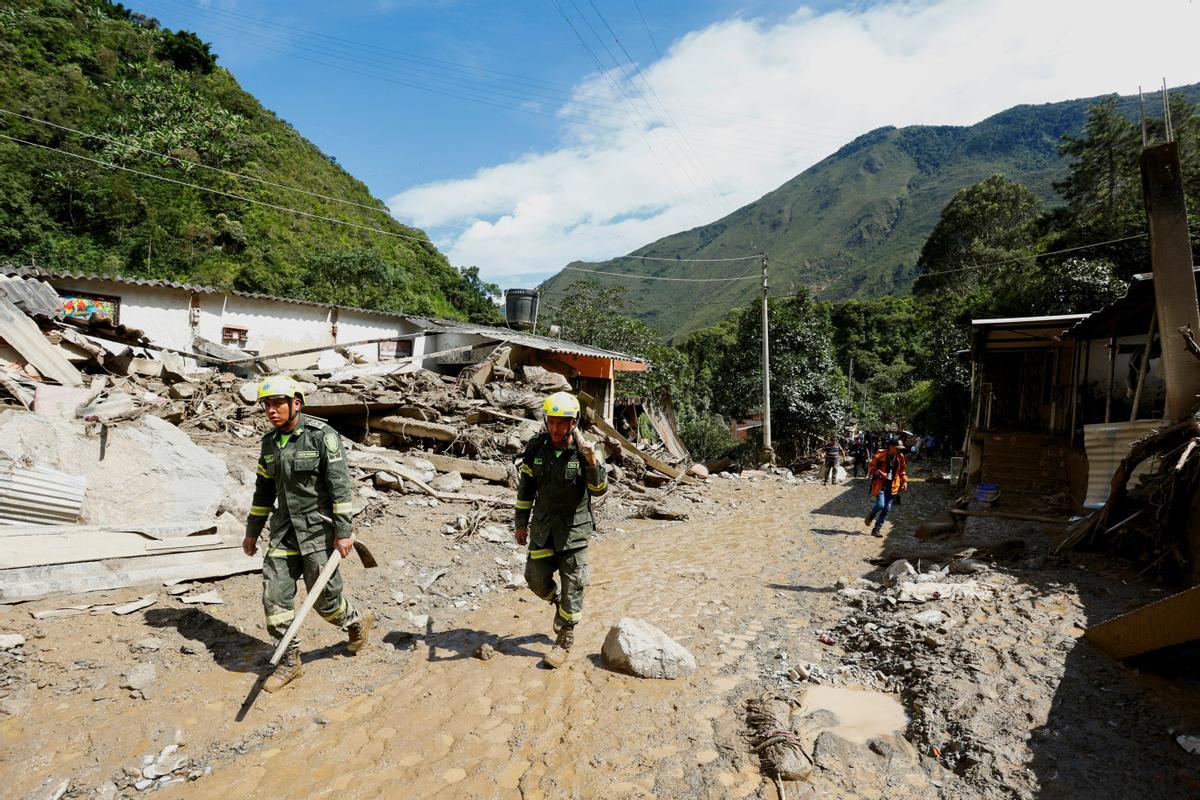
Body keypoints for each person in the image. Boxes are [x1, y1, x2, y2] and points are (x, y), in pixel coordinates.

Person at [243, 376, 372, 692]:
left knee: (325, 602)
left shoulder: (322, 437)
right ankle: (289, 662)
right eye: (266, 405)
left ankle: (354, 622)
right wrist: (252, 532)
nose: (271, 410)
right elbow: (263, 492)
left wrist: (344, 532)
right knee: (274, 596)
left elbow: (340, 487)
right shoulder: (269, 443)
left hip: (319, 532)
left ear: (295, 404)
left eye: (277, 404)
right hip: (284, 533)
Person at [515, 391, 608, 668]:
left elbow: (599, 490)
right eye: (552, 422)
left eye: (562, 423)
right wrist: (521, 524)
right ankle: (557, 602)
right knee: (534, 578)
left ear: (574, 423)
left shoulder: (587, 451)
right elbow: (526, 489)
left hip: (574, 532)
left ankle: (564, 638)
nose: (556, 428)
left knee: (574, 587)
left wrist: (591, 461)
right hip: (543, 528)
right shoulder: (536, 447)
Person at [864, 438, 908, 538]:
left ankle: (876, 530)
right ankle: (871, 515)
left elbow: (902, 471)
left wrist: (904, 481)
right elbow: (871, 467)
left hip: (893, 486)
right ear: (891, 446)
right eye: (897, 448)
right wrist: (876, 472)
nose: (899, 450)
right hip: (881, 485)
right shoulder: (880, 455)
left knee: (886, 509)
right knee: (880, 505)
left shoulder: (900, 457)